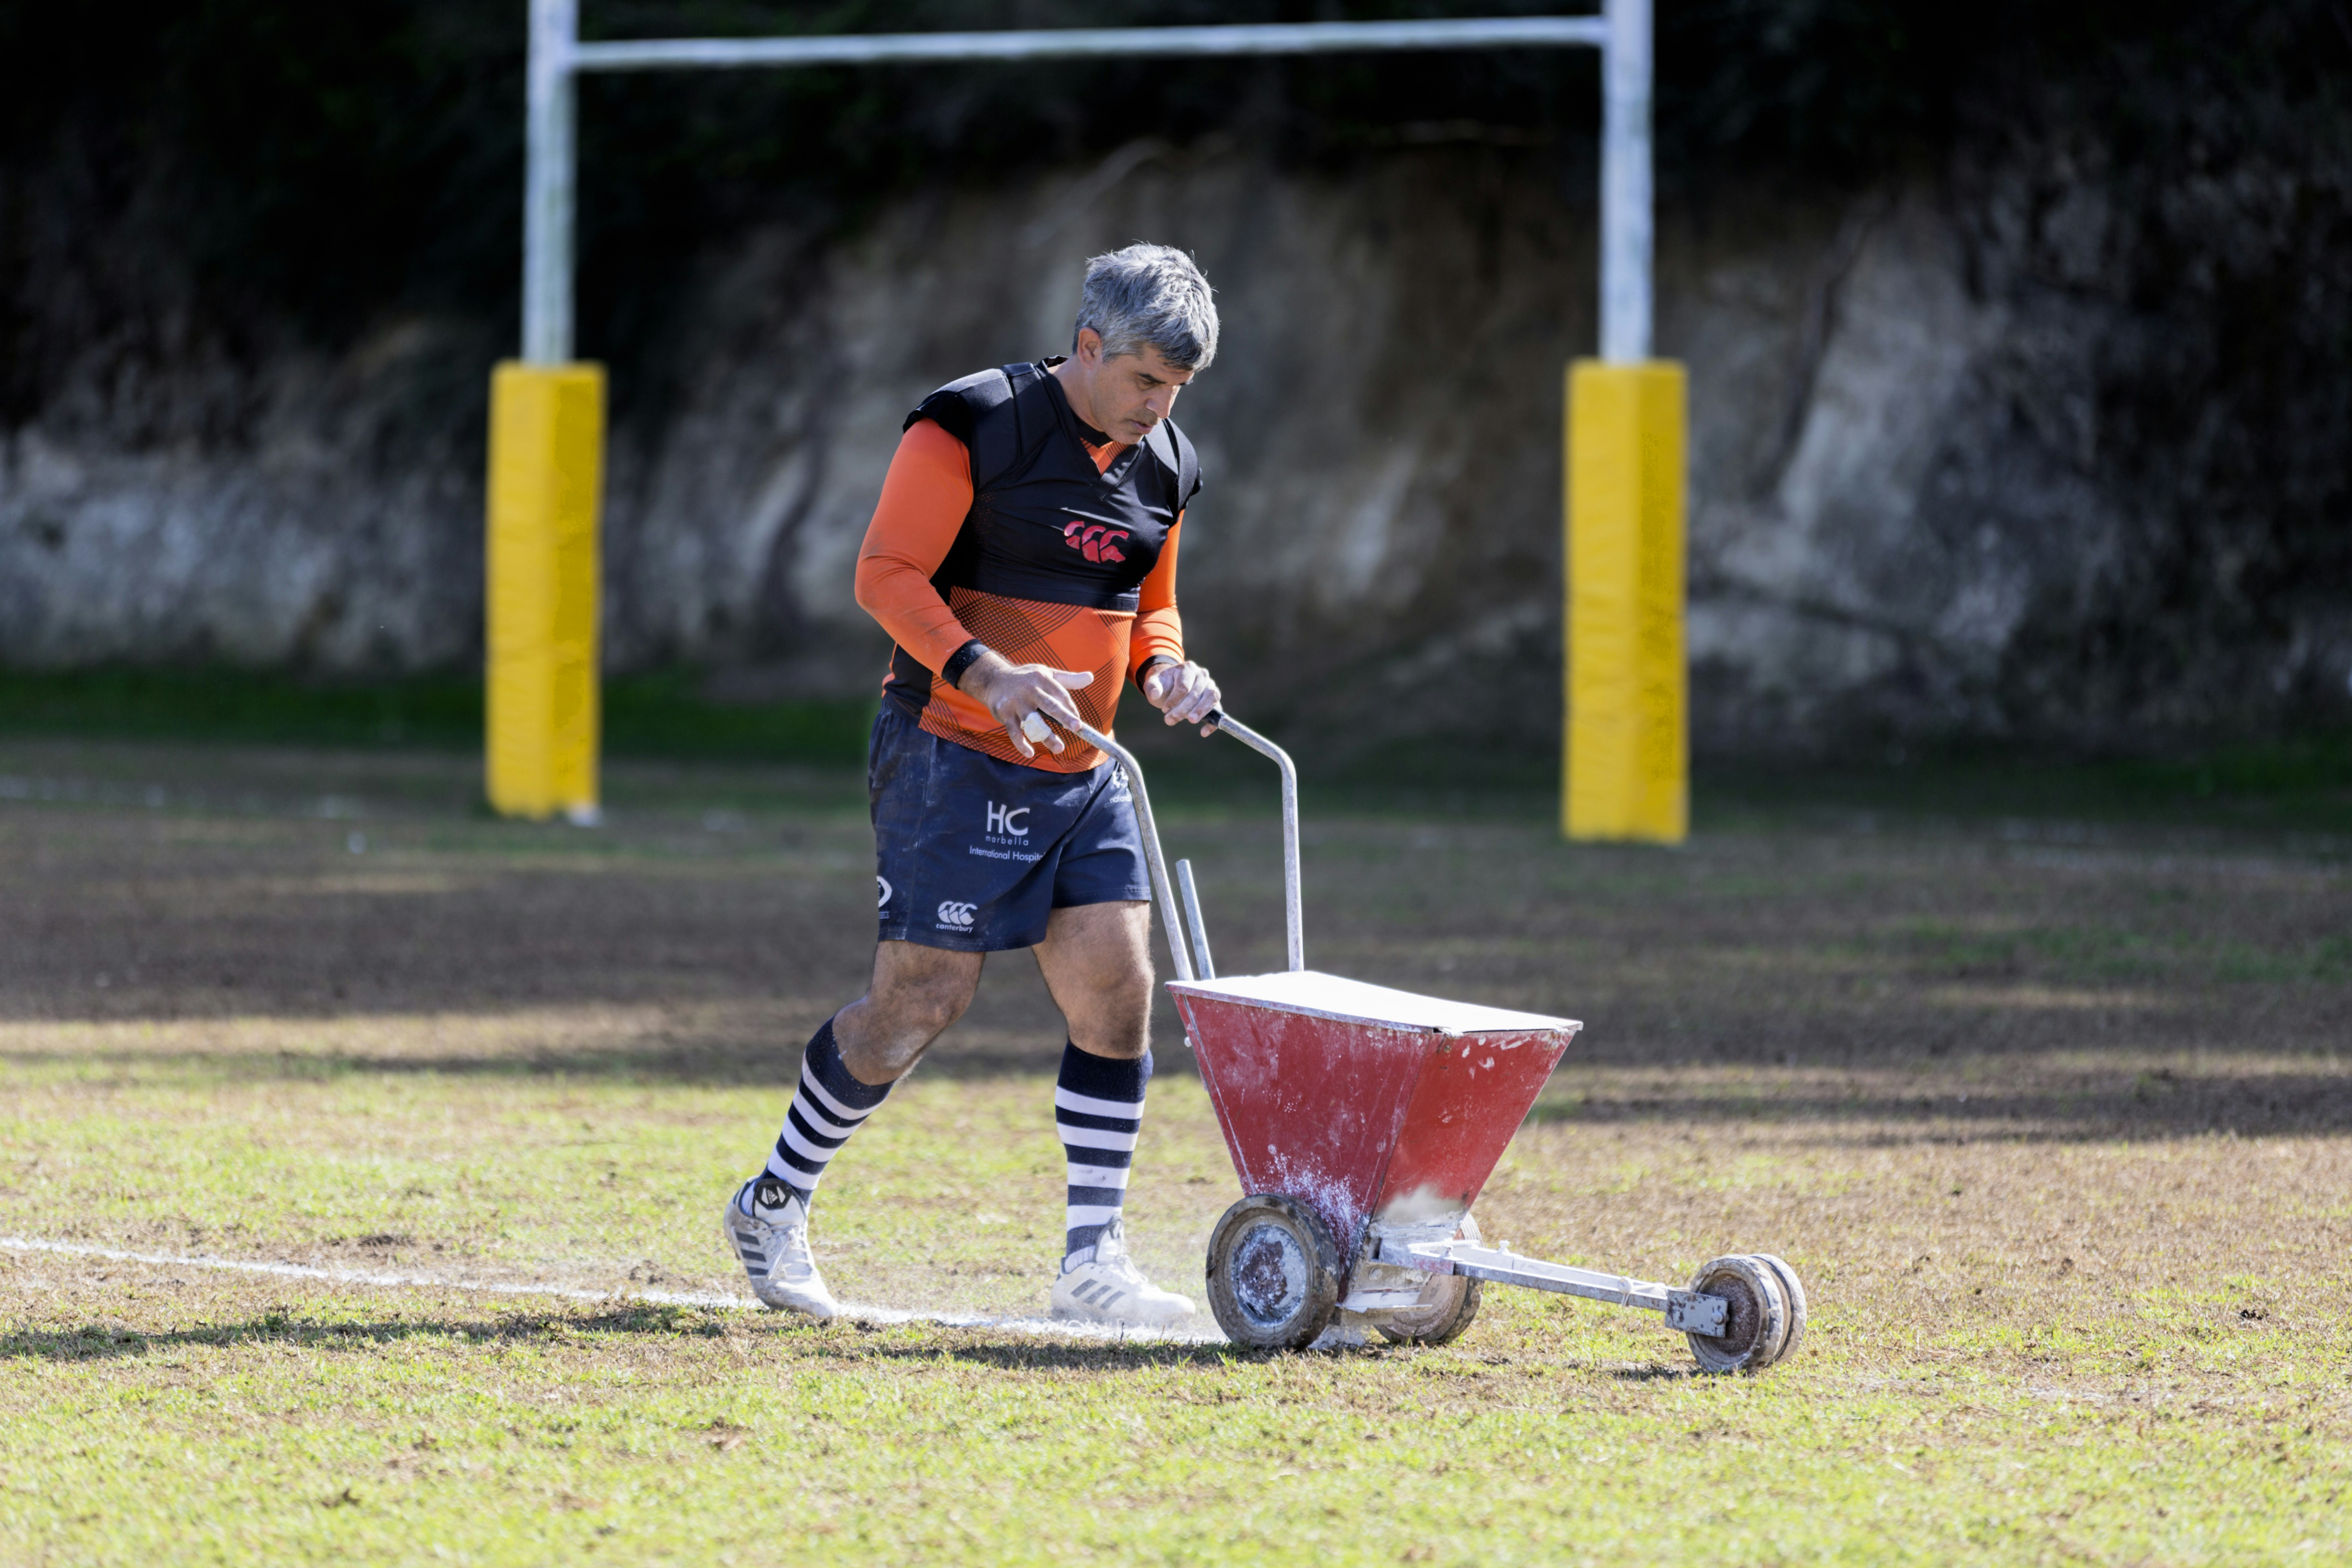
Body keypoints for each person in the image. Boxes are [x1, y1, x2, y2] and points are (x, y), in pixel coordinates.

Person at [721, 244, 1225, 1328]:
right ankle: (773, 1202)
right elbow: (885, 575)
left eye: (1178, 390)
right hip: (949, 749)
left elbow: (1150, 607)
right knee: (920, 1002)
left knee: (1118, 990)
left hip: (1085, 768)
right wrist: (987, 674)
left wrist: (1170, 668)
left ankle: (1093, 1265)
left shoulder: (1168, 464)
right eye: (1144, 379)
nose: (1159, 406)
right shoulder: (972, 423)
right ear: (1088, 346)